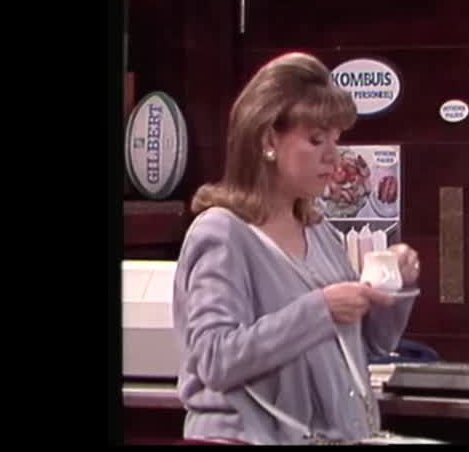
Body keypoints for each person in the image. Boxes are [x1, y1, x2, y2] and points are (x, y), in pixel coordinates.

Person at [172, 52, 420, 445]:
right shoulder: (222, 232)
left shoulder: (319, 232)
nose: (333, 156)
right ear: (269, 140)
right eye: (316, 140)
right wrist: (322, 309)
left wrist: (394, 285)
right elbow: (216, 360)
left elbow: (371, 344)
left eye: (336, 139)